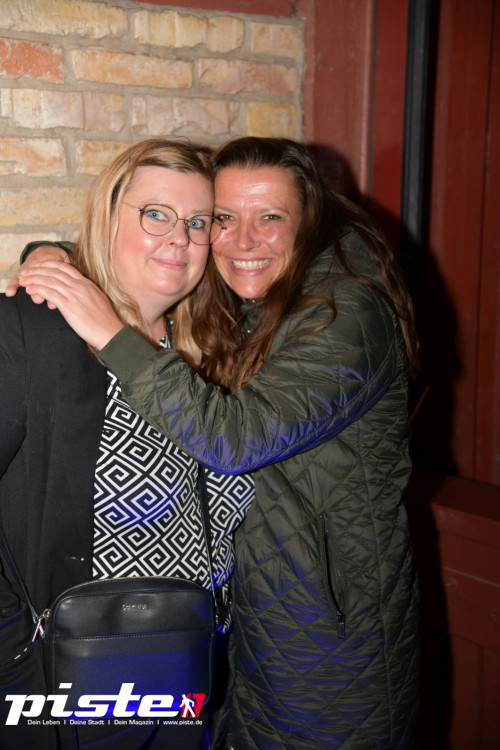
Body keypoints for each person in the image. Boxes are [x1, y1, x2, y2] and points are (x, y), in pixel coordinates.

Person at [14, 136, 420, 749]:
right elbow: (149, 249)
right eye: (224, 219)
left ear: (309, 222)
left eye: (271, 217)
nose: (243, 240)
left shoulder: (342, 314)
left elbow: (233, 439)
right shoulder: (252, 299)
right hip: (225, 641)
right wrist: (54, 260)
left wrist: (109, 330)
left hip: (328, 648)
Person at [0, 138, 254, 750]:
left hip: (191, 672)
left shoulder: (213, 350)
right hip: (73, 682)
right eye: (156, 214)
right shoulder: (36, 328)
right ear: (107, 218)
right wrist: (13, 655)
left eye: (198, 222)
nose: (180, 239)